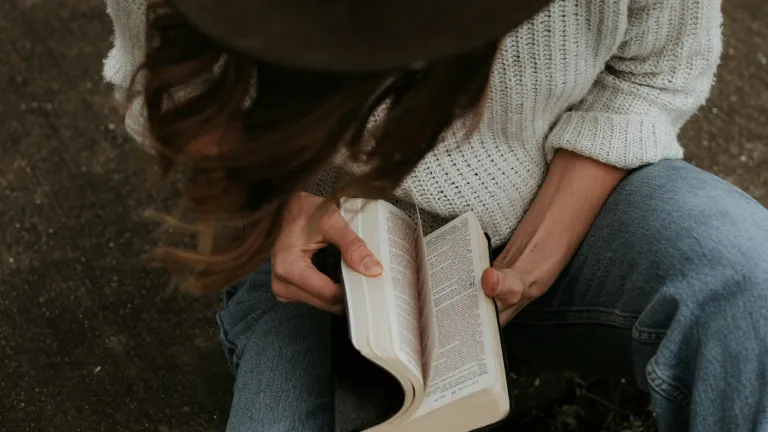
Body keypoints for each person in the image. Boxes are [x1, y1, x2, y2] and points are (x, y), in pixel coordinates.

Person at [103, 0, 768, 431]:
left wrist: (542, 244)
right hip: (332, 270)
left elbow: (657, 69)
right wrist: (300, 187)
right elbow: (175, 96)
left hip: (570, 197)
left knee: (744, 277)